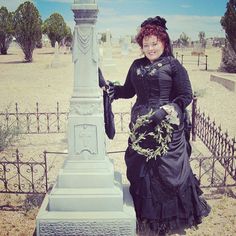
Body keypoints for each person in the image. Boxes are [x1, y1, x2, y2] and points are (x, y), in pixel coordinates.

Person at [106, 16, 210, 235]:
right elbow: (129, 90)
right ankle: (146, 215)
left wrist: (167, 110)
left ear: (164, 42)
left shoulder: (173, 65)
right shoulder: (137, 65)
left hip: (167, 128)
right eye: (146, 44)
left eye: (154, 43)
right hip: (142, 127)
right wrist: (114, 91)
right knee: (142, 172)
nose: (150, 48)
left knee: (165, 174)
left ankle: (168, 220)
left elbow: (185, 95)